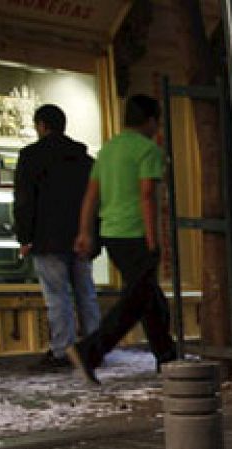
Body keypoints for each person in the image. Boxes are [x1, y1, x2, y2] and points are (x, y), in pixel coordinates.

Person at [73, 94, 177, 377]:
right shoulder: (148, 151)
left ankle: (167, 357)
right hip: (137, 233)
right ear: (152, 120)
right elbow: (147, 196)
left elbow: (91, 196)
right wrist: (154, 239)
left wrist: (85, 232)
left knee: (149, 298)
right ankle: (90, 350)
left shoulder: (108, 150)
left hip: (111, 233)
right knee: (135, 301)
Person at [14, 104, 99, 380]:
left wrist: (24, 237)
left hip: (47, 237)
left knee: (57, 295)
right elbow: (96, 201)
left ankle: (63, 350)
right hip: (81, 235)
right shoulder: (85, 159)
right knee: (86, 292)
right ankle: (94, 348)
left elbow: (24, 201)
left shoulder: (31, 157)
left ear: (41, 126)